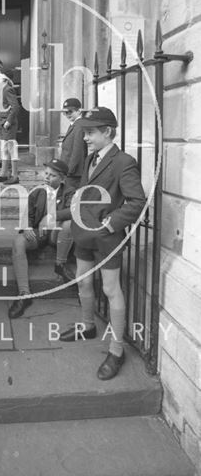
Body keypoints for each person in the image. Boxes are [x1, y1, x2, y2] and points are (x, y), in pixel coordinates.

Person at [59, 107, 146, 381]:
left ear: (108, 132)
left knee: (110, 289)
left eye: (90, 132)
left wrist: (109, 224)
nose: (85, 138)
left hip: (107, 238)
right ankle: (87, 326)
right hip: (84, 233)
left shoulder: (124, 162)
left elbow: (137, 202)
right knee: (83, 281)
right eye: (84, 132)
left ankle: (117, 350)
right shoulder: (89, 159)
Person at [8, 159, 76, 318]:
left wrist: (51, 216)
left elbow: (74, 210)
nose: (46, 177)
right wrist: (27, 227)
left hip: (57, 235)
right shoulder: (37, 191)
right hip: (39, 233)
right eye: (46, 173)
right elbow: (28, 214)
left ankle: (60, 263)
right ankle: (24, 294)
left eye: (52, 176)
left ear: (62, 179)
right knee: (18, 241)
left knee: (68, 224)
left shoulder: (70, 191)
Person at [0, 68, 20, 185]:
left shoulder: (7, 89)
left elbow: (15, 107)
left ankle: (14, 175)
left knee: (11, 148)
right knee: (4, 149)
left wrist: (8, 121)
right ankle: (3, 174)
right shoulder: (0, 89)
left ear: (4, 79)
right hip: (2, 121)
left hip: (8, 123)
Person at [60, 97, 87, 189]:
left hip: (73, 173)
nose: (67, 114)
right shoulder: (74, 125)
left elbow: (77, 152)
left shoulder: (79, 126)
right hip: (70, 172)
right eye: (65, 112)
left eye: (70, 111)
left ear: (79, 111)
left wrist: (69, 171)